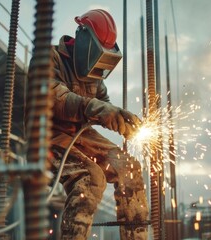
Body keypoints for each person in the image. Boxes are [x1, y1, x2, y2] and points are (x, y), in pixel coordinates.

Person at [48, 9, 149, 240]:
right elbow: (55, 99)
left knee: (129, 168)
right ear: (83, 40)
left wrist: (120, 118)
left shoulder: (93, 74)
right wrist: (99, 110)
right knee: (91, 176)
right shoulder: (49, 58)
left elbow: (102, 105)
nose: (98, 67)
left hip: (81, 136)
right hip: (48, 135)